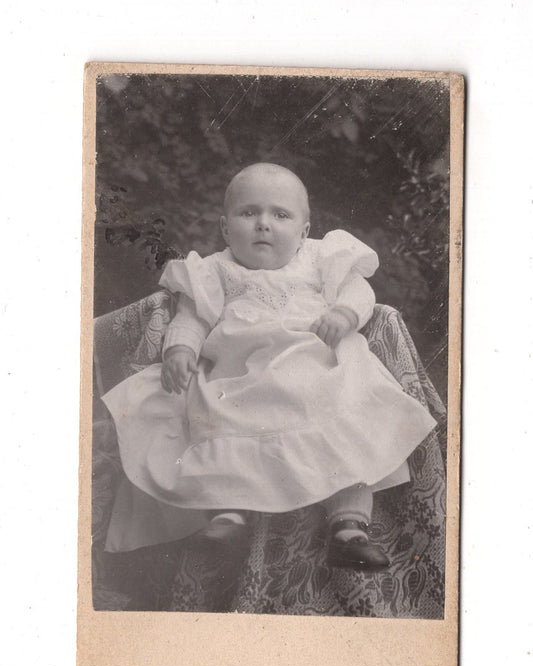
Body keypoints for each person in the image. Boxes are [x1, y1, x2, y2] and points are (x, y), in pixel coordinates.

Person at [102, 163, 437, 570]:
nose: (263, 224)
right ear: (225, 230)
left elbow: (358, 290)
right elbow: (191, 317)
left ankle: (348, 526)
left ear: (304, 231)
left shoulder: (318, 259)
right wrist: (180, 351)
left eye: (280, 215)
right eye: (249, 213)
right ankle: (227, 514)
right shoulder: (215, 270)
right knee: (220, 421)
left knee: (345, 424)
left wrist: (345, 315)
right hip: (241, 376)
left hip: (313, 366)